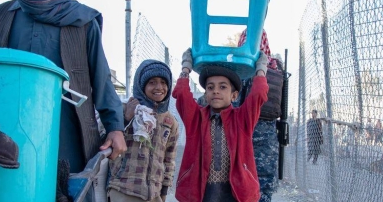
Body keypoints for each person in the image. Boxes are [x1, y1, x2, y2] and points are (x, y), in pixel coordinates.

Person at [0, 0, 126, 179]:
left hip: (68, 136)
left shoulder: (82, 20)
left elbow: (101, 80)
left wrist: (115, 127)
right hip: (7, 133)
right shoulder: (1, 17)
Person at [172, 48, 269, 202]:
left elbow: (258, 94)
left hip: (235, 193)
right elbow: (182, 94)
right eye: (210, 87)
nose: (215, 91)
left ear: (234, 95)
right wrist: (186, 67)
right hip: (201, 192)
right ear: (205, 94)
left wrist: (261, 69)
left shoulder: (242, 119)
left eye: (223, 87)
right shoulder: (196, 119)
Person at [107, 60, 179, 202]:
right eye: (152, 82)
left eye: (163, 82)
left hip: (154, 195)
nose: (159, 87)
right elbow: (104, 141)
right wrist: (126, 119)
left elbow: (169, 160)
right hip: (123, 190)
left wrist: (163, 193)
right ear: (142, 85)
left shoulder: (170, 122)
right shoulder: (124, 109)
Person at [235, 29, 283, 202]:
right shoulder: (275, 68)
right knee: (263, 188)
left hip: (241, 138)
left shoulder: (239, 70)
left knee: (239, 187)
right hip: (268, 139)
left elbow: (232, 106)